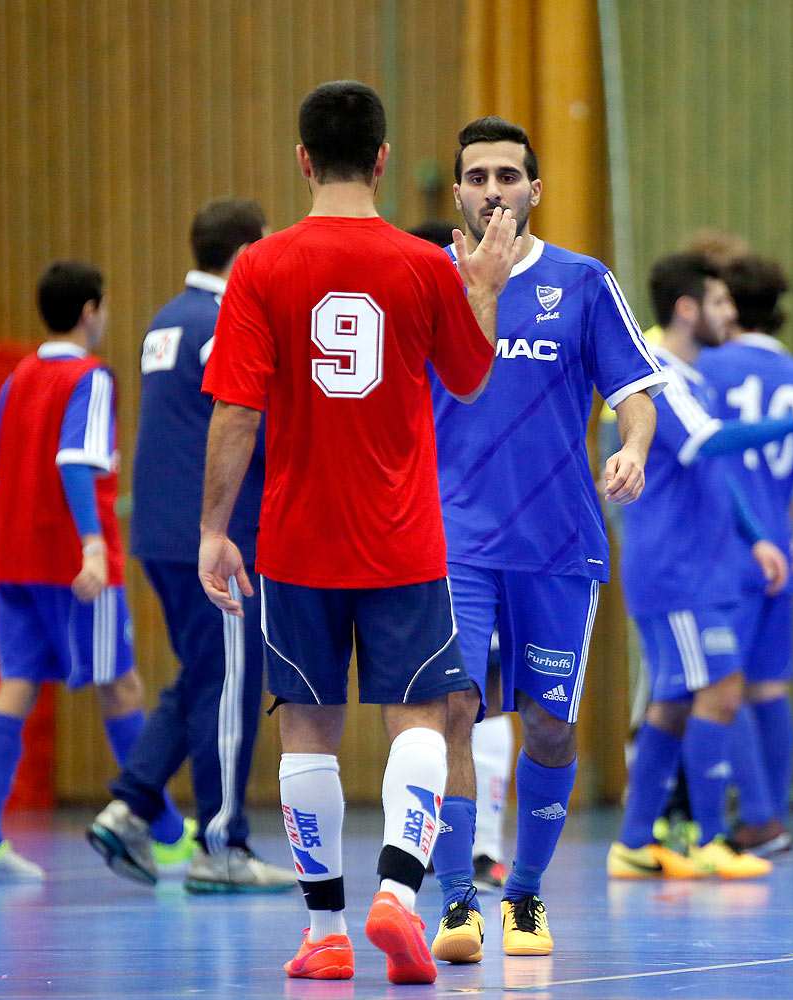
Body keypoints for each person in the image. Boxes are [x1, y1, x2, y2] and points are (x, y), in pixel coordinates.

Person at [196, 81, 520, 985]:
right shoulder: (422, 265)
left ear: (303, 159)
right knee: (419, 717)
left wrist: (215, 527)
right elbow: (469, 380)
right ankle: (401, 898)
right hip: (403, 541)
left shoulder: (259, 267)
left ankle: (327, 932)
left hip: (296, 542)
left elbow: (235, 409)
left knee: (307, 727)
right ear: (383, 160)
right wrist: (483, 290)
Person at [425, 116, 667, 965]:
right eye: (477, 175)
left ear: (535, 189)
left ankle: (522, 894)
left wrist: (633, 446)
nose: (493, 189)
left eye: (508, 175)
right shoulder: (430, 284)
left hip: (559, 543)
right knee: (453, 712)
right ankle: (457, 898)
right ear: (457, 191)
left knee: (550, 729)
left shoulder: (585, 281)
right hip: (452, 540)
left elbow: (636, 388)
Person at [607, 252, 793, 881]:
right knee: (720, 689)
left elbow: (717, 471)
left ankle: (637, 841)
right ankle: (711, 837)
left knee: (671, 702)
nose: (731, 315)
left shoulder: (696, 380)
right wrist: (792, 420)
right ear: (690, 310)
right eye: (720, 304)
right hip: (675, 569)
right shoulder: (657, 374)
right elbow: (707, 443)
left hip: (697, 567)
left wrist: (757, 538)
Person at [86, 198, 296, 894]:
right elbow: (246, 422)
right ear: (245, 253)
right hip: (216, 537)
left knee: (205, 674)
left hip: (158, 533)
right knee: (230, 684)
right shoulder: (226, 322)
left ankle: (130, 806)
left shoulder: (166, 320)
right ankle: (223, 845)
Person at [0, 260, 186, 881]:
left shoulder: (17, 378)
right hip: (75, 563)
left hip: (16, 559)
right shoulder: (91, 378)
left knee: (18, 683)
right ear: (91, 310)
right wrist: (90, 545)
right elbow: (76, 462)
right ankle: (164, 829)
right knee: (121, 686)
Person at [696, 254, 793, 856]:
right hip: (777, 553)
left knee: (716, 683)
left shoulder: (705, 367)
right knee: (767, 687)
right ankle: (772, 819)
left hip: (720, 547)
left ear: (727, 305)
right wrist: (788, 525)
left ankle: (756, 817)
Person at [407, 217, 514, 896]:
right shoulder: (431, 337)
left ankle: (479, 847)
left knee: (475, 702)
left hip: (487, 536)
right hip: (438, 540)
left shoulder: (491, 326)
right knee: (452, 706)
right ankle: (443, 853)